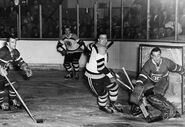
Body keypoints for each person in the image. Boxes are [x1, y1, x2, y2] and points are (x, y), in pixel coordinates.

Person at [130, 47, 183, 122]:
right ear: (151, 56)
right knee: (142, 93)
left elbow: (176, 67)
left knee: (156, 96)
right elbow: (143, 75)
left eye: (158, 55)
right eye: (154, 56)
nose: (156, 58)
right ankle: (140, 109)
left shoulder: (166, 62)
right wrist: (139, 84)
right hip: (150, 80)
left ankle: (172, 110)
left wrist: (183, 71)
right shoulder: (148, 64)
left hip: (162, 80)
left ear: (160, 55)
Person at [84, 33, 123, 113]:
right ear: (98, 39)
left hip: (102, 74)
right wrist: (111, 75)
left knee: (114, 87)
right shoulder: (101, 49)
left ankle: (112, 104)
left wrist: (89, 52)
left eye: (105, 38)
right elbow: (101, 68)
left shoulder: (94, 45)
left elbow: (88, 47)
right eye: (102, 38)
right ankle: (102, 106)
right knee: (103, 94)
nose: (104, 40)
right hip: (93, 77)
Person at [0, 36, 32, 111]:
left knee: (15, 85)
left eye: (15, 42)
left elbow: (20, 61)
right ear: (8, 43)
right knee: (1, 89)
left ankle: (12, 100)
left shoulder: (15, 52)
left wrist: (26, 69)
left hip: (5, 72)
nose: (14, 44)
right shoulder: (3, 51)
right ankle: (1, 103)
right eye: (12, 42)